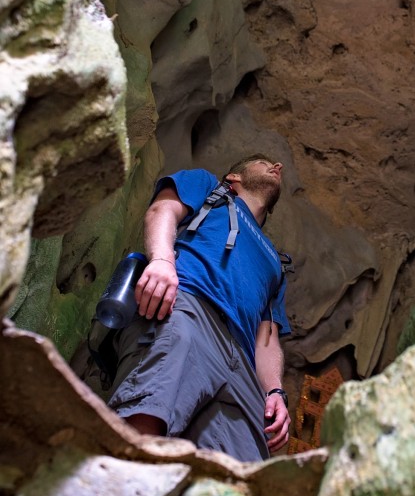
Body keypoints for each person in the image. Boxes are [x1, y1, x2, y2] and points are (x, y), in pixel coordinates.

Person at [107, 154, 292, 460]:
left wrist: (274, 390)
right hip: (190, 309)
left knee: (239, 473)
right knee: (147, 419)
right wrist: (163, 260)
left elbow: (267, 336)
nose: (278, 167)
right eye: (263, 162)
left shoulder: (276, 262)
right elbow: (162, 209)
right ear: (234, 177)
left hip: (242, 362)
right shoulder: (210, 188)